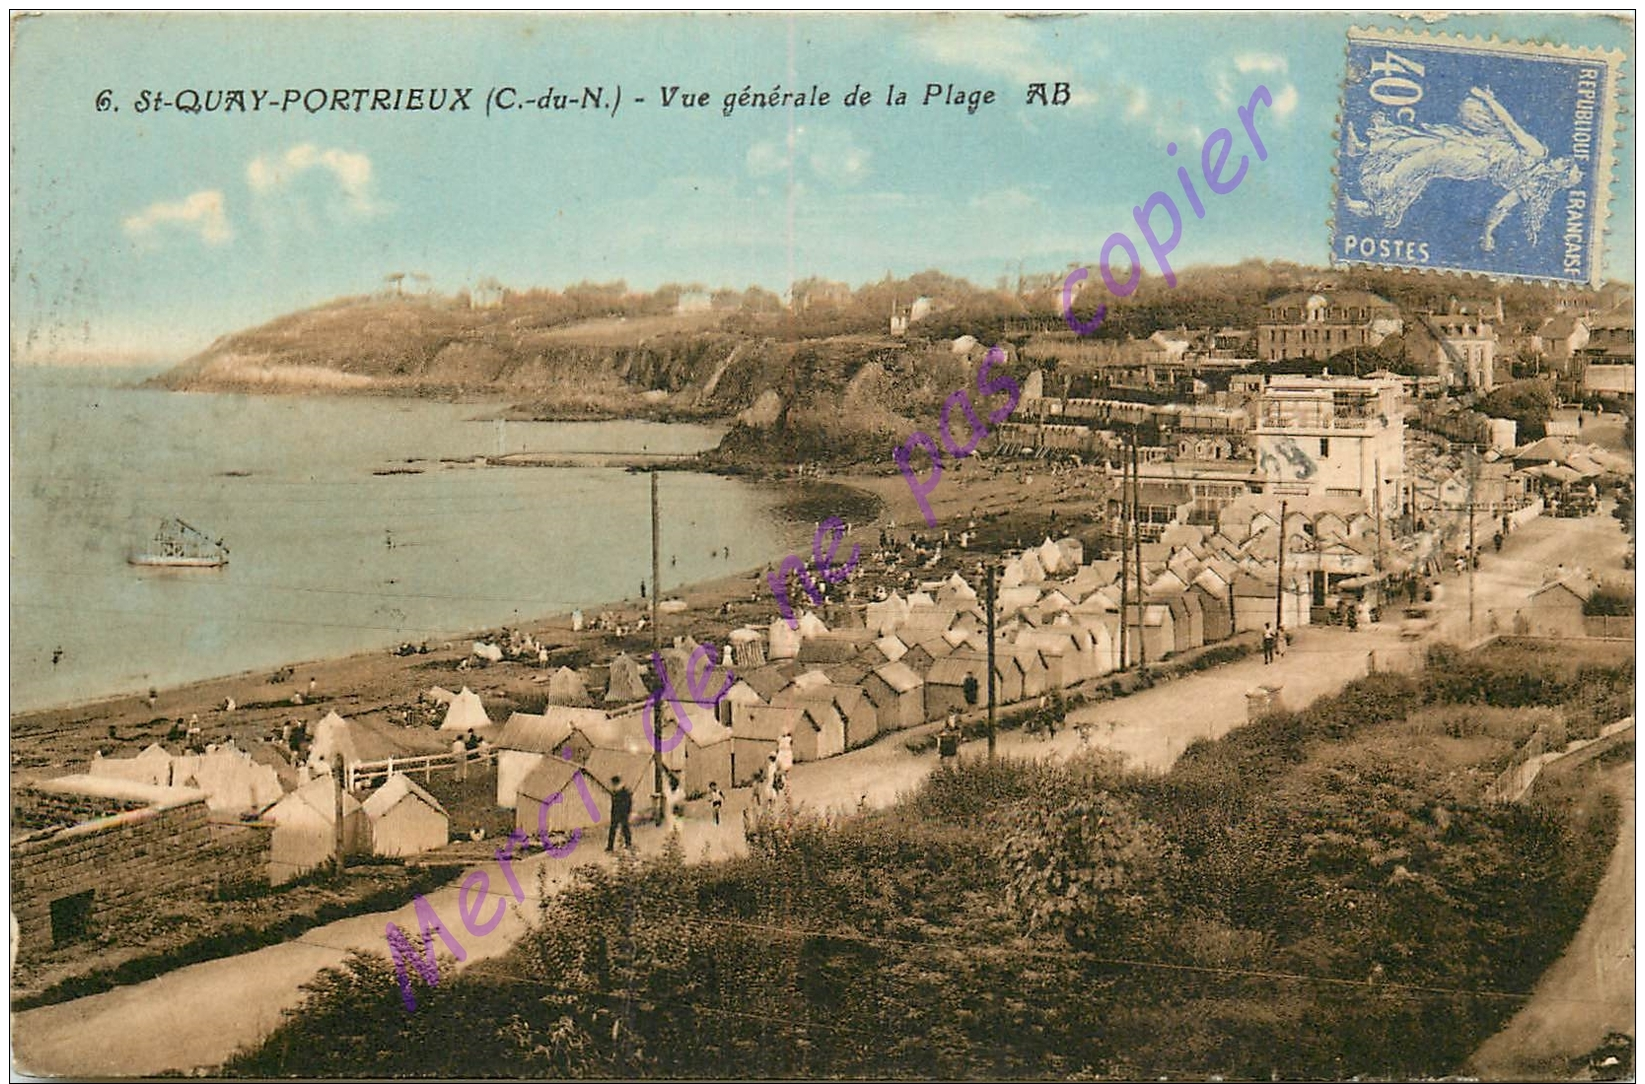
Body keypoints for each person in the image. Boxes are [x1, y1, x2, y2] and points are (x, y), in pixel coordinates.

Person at [606, 776, 634, 851]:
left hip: (623, 813)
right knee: (614, 829)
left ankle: (628, 843)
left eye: (613, 784)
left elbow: (629, 803)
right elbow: (613, 804)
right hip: (616, 813)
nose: (612, 786)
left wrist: (628, 812)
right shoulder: (615, 792)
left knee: (625, 828)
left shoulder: (625, 792)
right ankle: (610, 846)